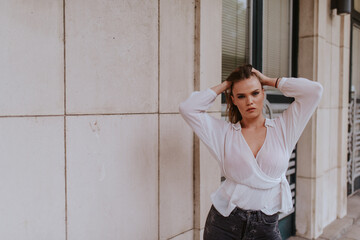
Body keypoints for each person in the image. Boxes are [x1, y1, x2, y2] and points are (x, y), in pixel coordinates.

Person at [179, 64, 323, 240]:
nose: (249, 101)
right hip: (224, 223)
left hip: (265, 225)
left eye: (255, 93)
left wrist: (270, 81)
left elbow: (314, 91)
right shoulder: (223, 134)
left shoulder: (284, 128)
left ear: (263, 93)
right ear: (233, 100)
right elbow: (188, 108)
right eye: (241, 96)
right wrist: (226, 84)